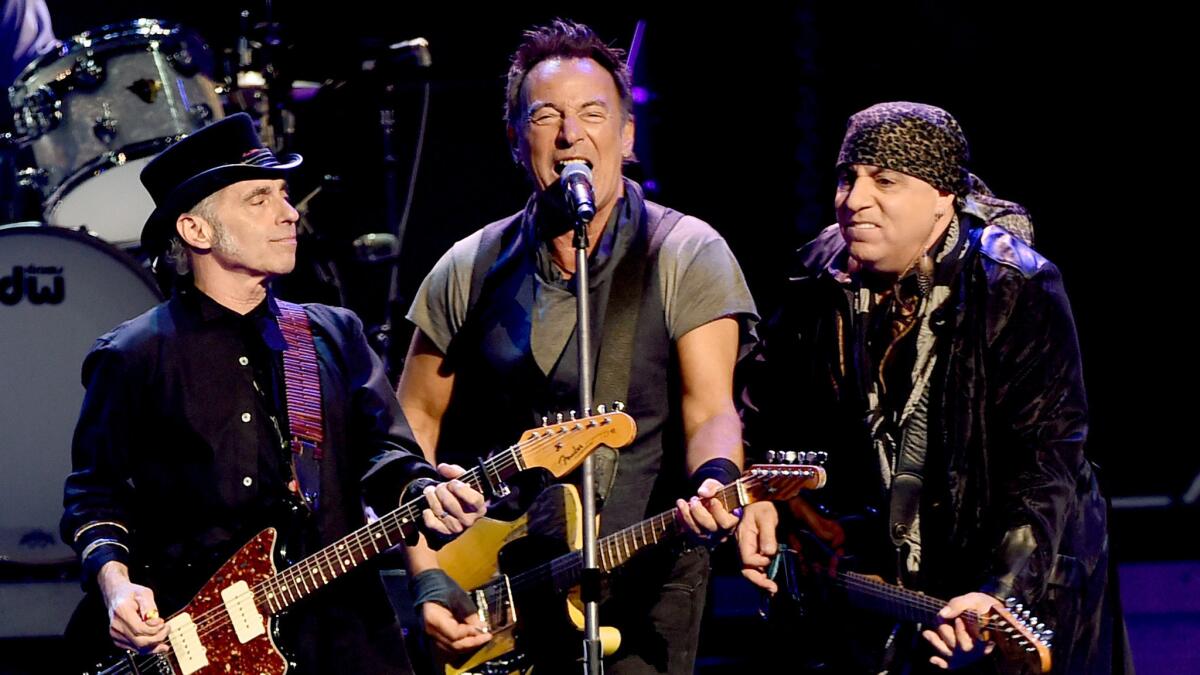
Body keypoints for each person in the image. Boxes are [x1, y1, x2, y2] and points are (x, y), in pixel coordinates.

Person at [60, 112, 486, 674]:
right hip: (196, 649)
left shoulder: (332, 333)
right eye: (259, 199)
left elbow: (386, 456)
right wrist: (116, 586)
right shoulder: (133, 356)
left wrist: (424, 493)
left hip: (344, 637)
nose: (289, 214)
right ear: (196, 231)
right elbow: (96, 498)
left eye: (284, 195)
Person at [395, 19, 758, 674]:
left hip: (646, 583)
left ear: (626, 136)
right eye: (546, 116)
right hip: (509, 586)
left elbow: (713, 411)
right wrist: (428, 575)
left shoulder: (685, 252)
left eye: (593, 113)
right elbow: (408, 428)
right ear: (514, 138)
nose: (570, 135)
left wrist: (717, 479)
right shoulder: (468, 266)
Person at [736, 101, 1132, 673]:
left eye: (885, 181)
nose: (854, 199)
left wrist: (1002, 587)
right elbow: (768, 410)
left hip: (1018, 585)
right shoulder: (819, 274)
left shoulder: (1015, 286)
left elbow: (1048, 458)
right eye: (848, 178)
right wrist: (765, 500)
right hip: (882, 586)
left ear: (943, 196)